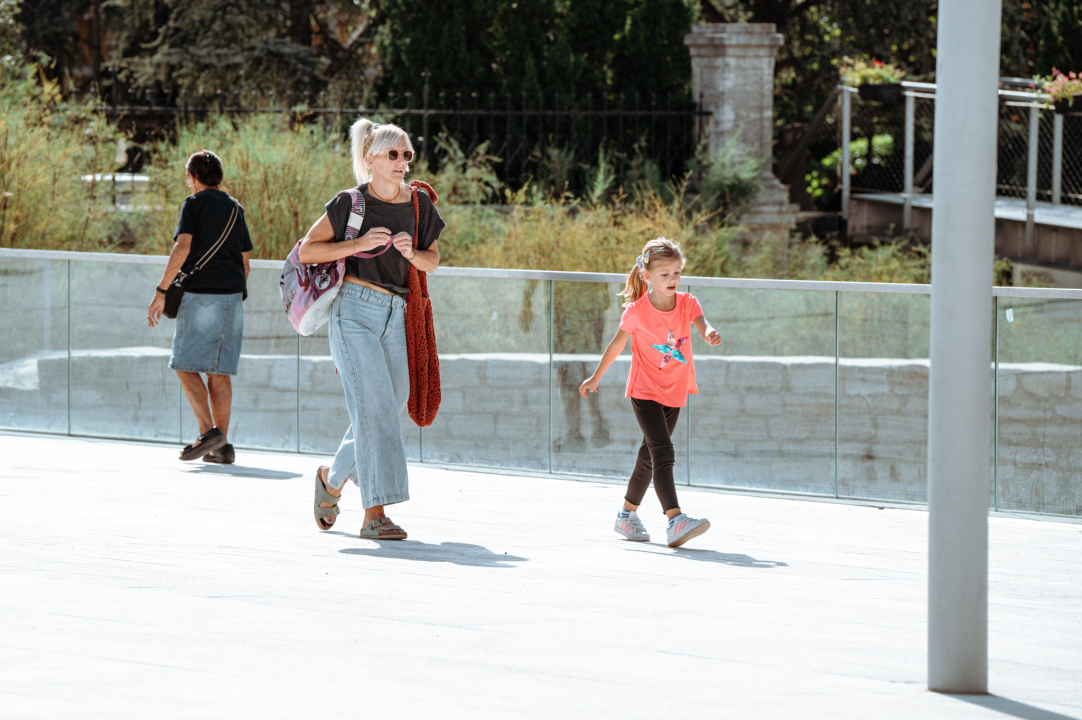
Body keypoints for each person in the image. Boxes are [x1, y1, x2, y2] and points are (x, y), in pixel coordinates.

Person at [297, 119, 445, 540]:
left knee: (392, 402)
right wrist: (357, 245)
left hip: (397, 313)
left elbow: (432, 260)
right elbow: (308, 250)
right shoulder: (350, 202)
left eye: (407, 155)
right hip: (354, 311)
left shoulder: (418, 205)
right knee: (374, 408)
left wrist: (412, 253)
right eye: (393, 154)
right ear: (370, 159)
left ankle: (332, 478)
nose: (402, 162)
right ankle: (374, 515)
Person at [579, 238, 721, 548]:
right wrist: (596, 377)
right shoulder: (637, 312)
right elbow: (616, 345)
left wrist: (708, 332)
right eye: (665, 274)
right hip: (644, 390)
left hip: (675, 389)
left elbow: (701, 323)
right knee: (663, 451)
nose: (673, 280)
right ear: (647, 276)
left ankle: (626, 516)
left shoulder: (687, 303)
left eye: (677, 273)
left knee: (649, 455)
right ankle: (674, 519)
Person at [148, 150, 252, 465]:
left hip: (202, 295)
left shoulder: (193, 204)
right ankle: (222, 447)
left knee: (183, 363)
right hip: (233, 297)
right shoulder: (236, 208)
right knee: (219, 372)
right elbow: (246, 263)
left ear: (193, 178)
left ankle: (208, 433)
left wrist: (161, 290)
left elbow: (182, 246)